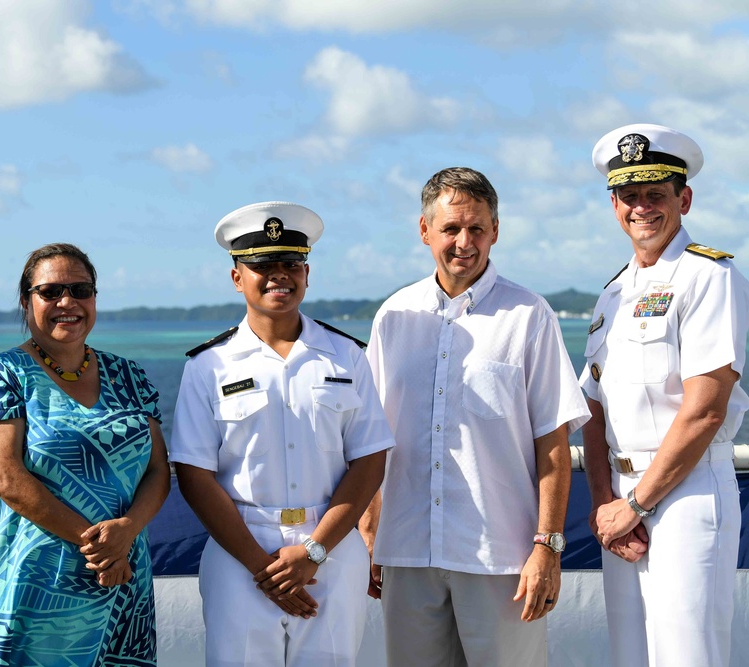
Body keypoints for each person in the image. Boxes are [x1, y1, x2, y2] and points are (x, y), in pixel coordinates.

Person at [359, 167, 590, 666]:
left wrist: (547, 547)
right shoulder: (393, 316)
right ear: (425, 232)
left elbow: (551, 441)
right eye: (451, 228)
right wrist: (371, 526)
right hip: (407, 550)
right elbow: (372, 435)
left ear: (496, 230)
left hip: (500, 557)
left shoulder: (529, 316)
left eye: (477, 229)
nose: (465, 242)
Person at [169, 202, 394, 666]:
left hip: (330, 547)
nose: (279, 276)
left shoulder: (347, 357)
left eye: (290, 264)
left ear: (307, 274)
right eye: (262, 266)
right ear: (237, 278)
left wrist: (312, 552)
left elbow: (370, 459)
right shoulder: (208, 366)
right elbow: (193, 473)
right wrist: (262, 568)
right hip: (239, 554)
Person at [0, 242, 170, 666]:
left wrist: (127, 531)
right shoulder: (0, 377)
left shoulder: (129, 376)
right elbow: (4, 478)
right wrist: (102, 549)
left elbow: (158, 469)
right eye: (50, 292)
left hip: (123, 584)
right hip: (35, 591)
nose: (66, 302)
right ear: (26, 301)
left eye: (80, 290)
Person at [582, 124, 749, 666]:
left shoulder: (710, 276)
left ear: (685, 198)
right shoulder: (613, 292)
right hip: (622, 501)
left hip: (687, 492)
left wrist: (634, 505)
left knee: (686, 657)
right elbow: (593, 406)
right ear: (614, 205)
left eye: (656, 194)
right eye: (630, 196)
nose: (642, 207)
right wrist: (607, 501)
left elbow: (704, 411)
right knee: (631, 657)